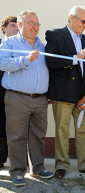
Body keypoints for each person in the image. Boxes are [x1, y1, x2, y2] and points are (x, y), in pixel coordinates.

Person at [0, 10, 53, 187]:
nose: (35, 27)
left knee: (38, 136)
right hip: (17, 98)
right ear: (20, 25)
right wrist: (25, 60)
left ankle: (37, 167)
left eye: (37, 24)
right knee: (17, 137)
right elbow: (2, 63)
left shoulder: (42, 45)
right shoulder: (9, 42)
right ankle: (17, 171)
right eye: (31, 23)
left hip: (40, 99)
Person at [45, 5, 85, 179]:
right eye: (83, 21)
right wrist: (76, 58)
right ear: (71, 18)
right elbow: (51, 61)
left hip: (82, 96)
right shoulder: (54, 35)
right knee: (62, 131)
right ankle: (61, 165)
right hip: (62, 94)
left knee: (83, 131)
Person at [0, 15, 19, 169]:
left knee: (18, 131)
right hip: (1, 95)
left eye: (17, 25)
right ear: (4, 28)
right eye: (12, 25)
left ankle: (20, 163)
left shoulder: (23, 47)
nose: (16, 28)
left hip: (19, 95)